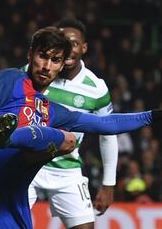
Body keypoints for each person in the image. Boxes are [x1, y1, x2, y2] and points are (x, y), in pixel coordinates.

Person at [0, 26, 162, 229]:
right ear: (30, 54)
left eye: (55, 60)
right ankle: (4, 138)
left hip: (12, 189)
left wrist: (155, 115)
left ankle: (7, 137)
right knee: (64, 138)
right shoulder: (11, 78)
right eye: (43, 56)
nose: (46, 66)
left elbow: (104, 124)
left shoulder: (51, 110)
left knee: (69, 137)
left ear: (62, 64)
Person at [28, 18, 118, 229]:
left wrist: (109, 184)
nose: (68, 50)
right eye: (63, 44)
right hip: (28, 164)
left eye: (74, 44)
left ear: (84, 48)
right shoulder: (36, 72)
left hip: (67, 170)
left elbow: (108, 134)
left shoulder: (96, 88)